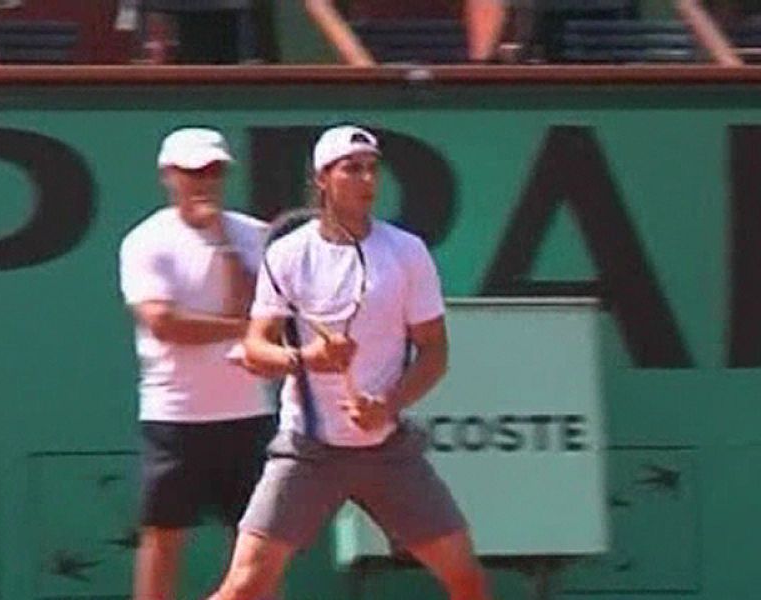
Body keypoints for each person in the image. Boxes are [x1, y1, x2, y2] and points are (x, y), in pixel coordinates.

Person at [208, 125, 495, 600]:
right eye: (352, 169)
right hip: (308, 449)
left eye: (372, 169)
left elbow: (434, 352)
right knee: (244, 587)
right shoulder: (288, 255)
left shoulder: (407, 252)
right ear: (323, 179)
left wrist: (388, 405)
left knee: (467, 580)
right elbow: (257, 347)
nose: (367, 180)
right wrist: (308, 359)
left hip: (388, 450)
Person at [119, 127, 277, 600]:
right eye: (192, 172)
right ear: (168, 176)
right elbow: (163, 324)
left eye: (213, 171)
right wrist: (242, 329)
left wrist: (223, 245)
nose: (204, 181)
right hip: (175, 417)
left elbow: (259, 310)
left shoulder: (253, 235)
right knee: (163, 537)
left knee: (256, 544)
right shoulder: (146, 241)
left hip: (248, 415)